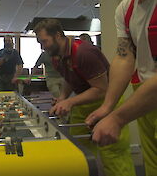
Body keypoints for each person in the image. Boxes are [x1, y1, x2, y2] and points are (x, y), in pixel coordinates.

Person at [85, 0, 157, 176]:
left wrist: (117, 118)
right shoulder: (125, 9)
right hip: (146, 97)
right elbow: (125, 57)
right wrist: (108, 106)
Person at [34, 18, 136, 176]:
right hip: (84, 104)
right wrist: (63, 97)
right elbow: (70, 77)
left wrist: (70, 101)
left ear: (58, 35)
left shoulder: (83, 52)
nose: (42, 47)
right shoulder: (56, 56)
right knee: (79, 151)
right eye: (40, 42)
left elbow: (101, 89)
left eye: (44, 41)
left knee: (112, 154)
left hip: (107, 103)